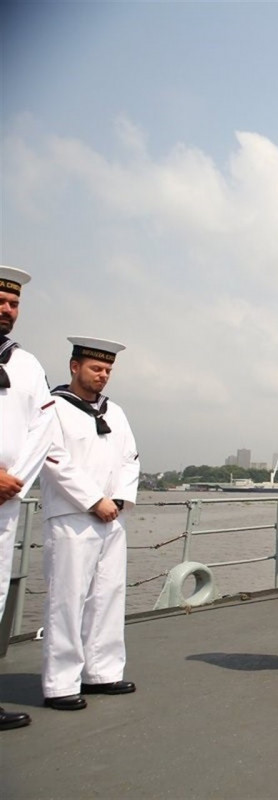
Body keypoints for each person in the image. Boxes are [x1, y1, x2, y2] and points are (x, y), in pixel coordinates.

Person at [38, 338, 139, 712]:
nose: (103, 376)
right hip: (71, 517)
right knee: (67, 598)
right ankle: (61, 683)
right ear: (74, 366)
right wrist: (93, 499)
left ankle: (102, 672)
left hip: (112, 517)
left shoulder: (117, 413)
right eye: (96, 368)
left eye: (108, 370)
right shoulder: (52, 408)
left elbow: (131, 458)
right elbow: (53, 459)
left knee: (108, 595)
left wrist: (117, 499)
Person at [0, 266, 62, 731]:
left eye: (14, 303)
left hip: (6, 499)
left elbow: (42, 430)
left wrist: (15, 479)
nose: (7, 309)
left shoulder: (26, 366)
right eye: (1, 300)